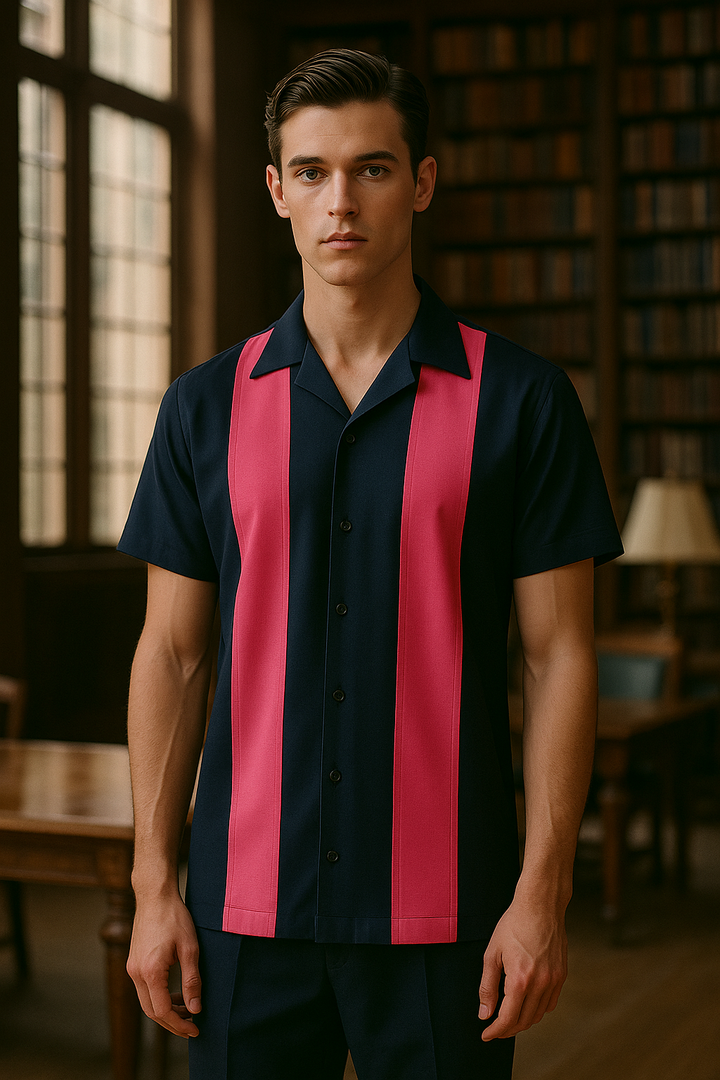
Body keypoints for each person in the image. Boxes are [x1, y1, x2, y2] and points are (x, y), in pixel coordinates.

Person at [120, 49, 622, 1080]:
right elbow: (172, 658)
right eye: (310, 172)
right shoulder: (203, 409)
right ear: (276, 192)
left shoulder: (522, 403)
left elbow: (561, 657)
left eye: (373, 169)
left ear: (423, 182)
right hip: (241, 918)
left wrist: (542, 895)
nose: (339, 201)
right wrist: (154, 888)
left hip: (448, 916)